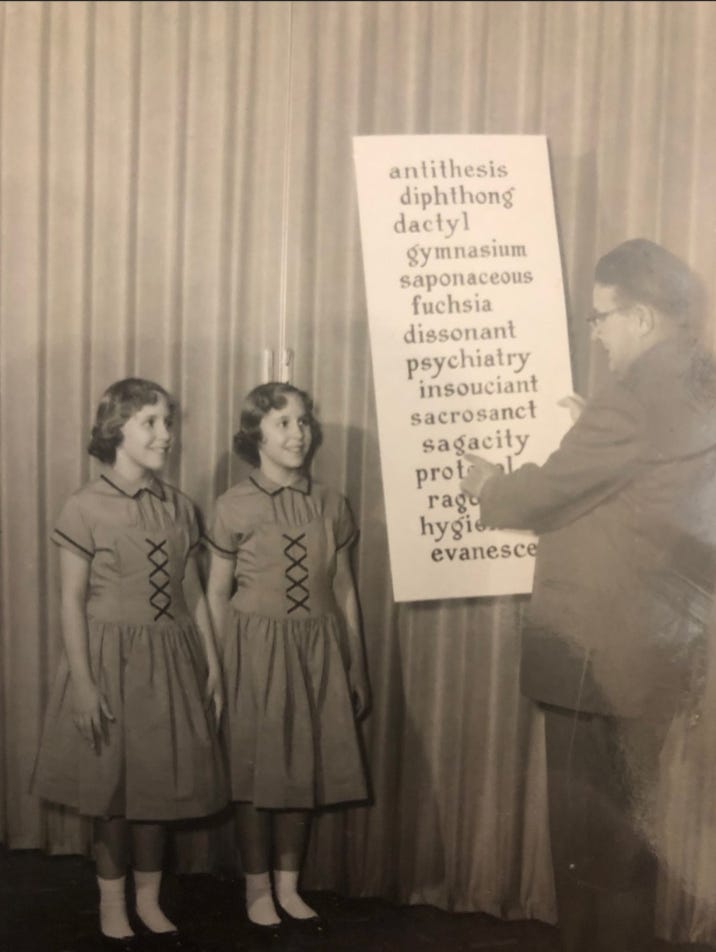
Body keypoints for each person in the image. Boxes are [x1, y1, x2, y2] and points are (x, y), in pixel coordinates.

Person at [460, 239, 716, 952]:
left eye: (602, 319)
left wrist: (487, 484)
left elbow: (539, 494)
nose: (596, 336)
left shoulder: (631, 400)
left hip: (592, 655)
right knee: (628, 848)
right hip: (660, 650)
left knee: (588, 852)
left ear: (639, 317)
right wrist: (590, 438)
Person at [32, 378, 227, 951]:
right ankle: (112, 904)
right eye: (151, 423)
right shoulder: (85, 505)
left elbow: (194, 593)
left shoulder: (179, 507)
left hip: (171, 661)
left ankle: (148, 900)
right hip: (109, 661)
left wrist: (212, 664)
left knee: (158, 789)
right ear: (117, 430)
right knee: (112, 794)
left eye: (168, 422)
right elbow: (71, 599)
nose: (166, 435)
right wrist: (85, 685)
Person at [205, 381, 369, 938]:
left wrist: (356, 662)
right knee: (256, 773)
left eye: (302, 421)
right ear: (256, 436)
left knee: (303, 769)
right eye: (282, 423)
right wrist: (218, 668)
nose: (296, 433)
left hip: (318, 647)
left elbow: (345, 587)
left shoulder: (331, 503)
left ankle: (289, 886)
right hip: (254, 648)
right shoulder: (233, 505)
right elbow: (215, 593)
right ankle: (256, 888)